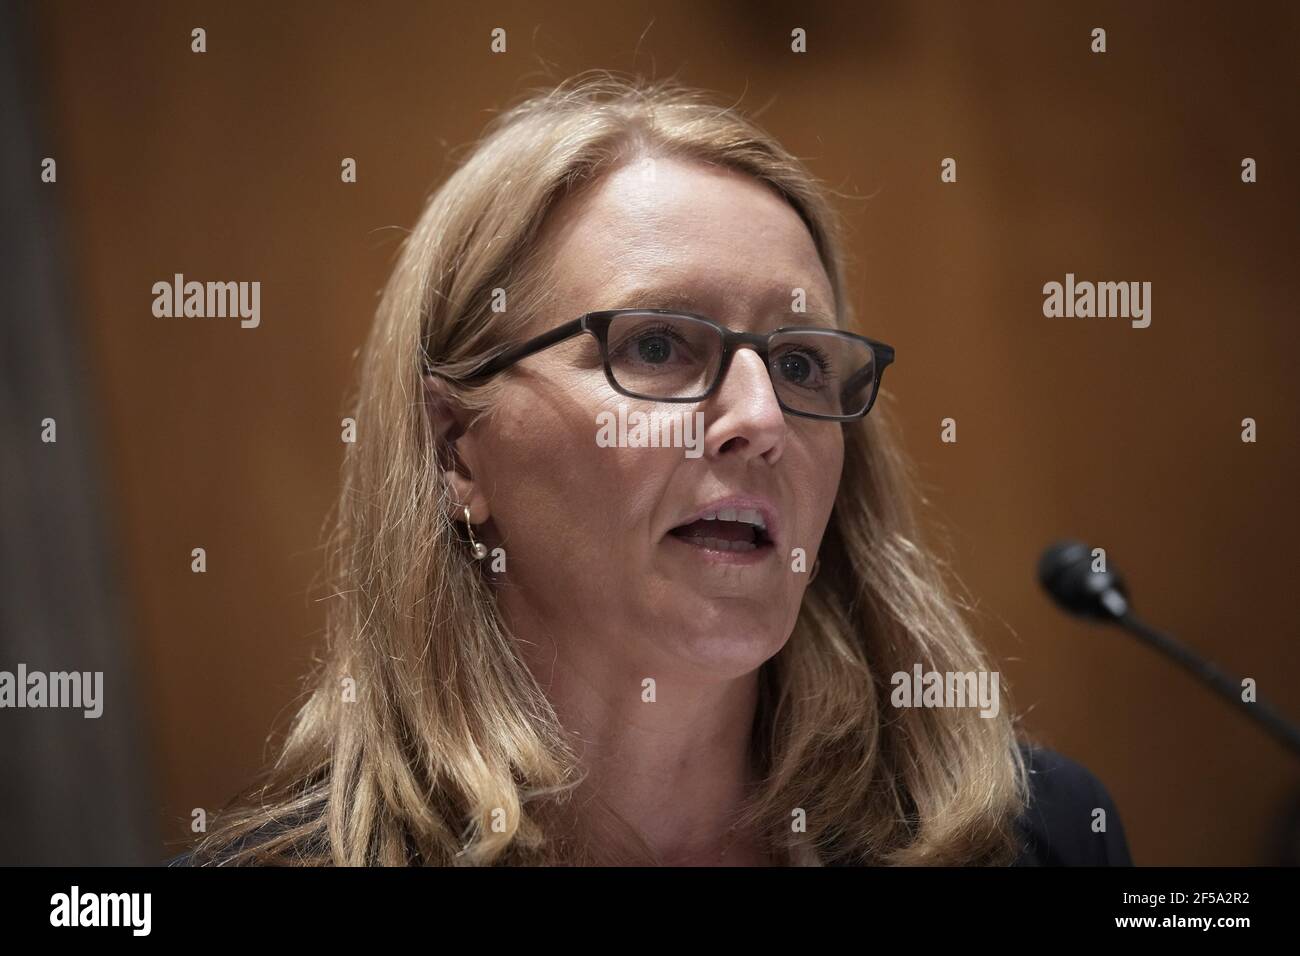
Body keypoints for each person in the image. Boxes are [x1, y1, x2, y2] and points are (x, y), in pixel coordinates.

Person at [173, 72, 1133, 867]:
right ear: (455, 450)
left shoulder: (1032, 838)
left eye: (799, 362)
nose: (758, 420)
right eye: (660, 347)